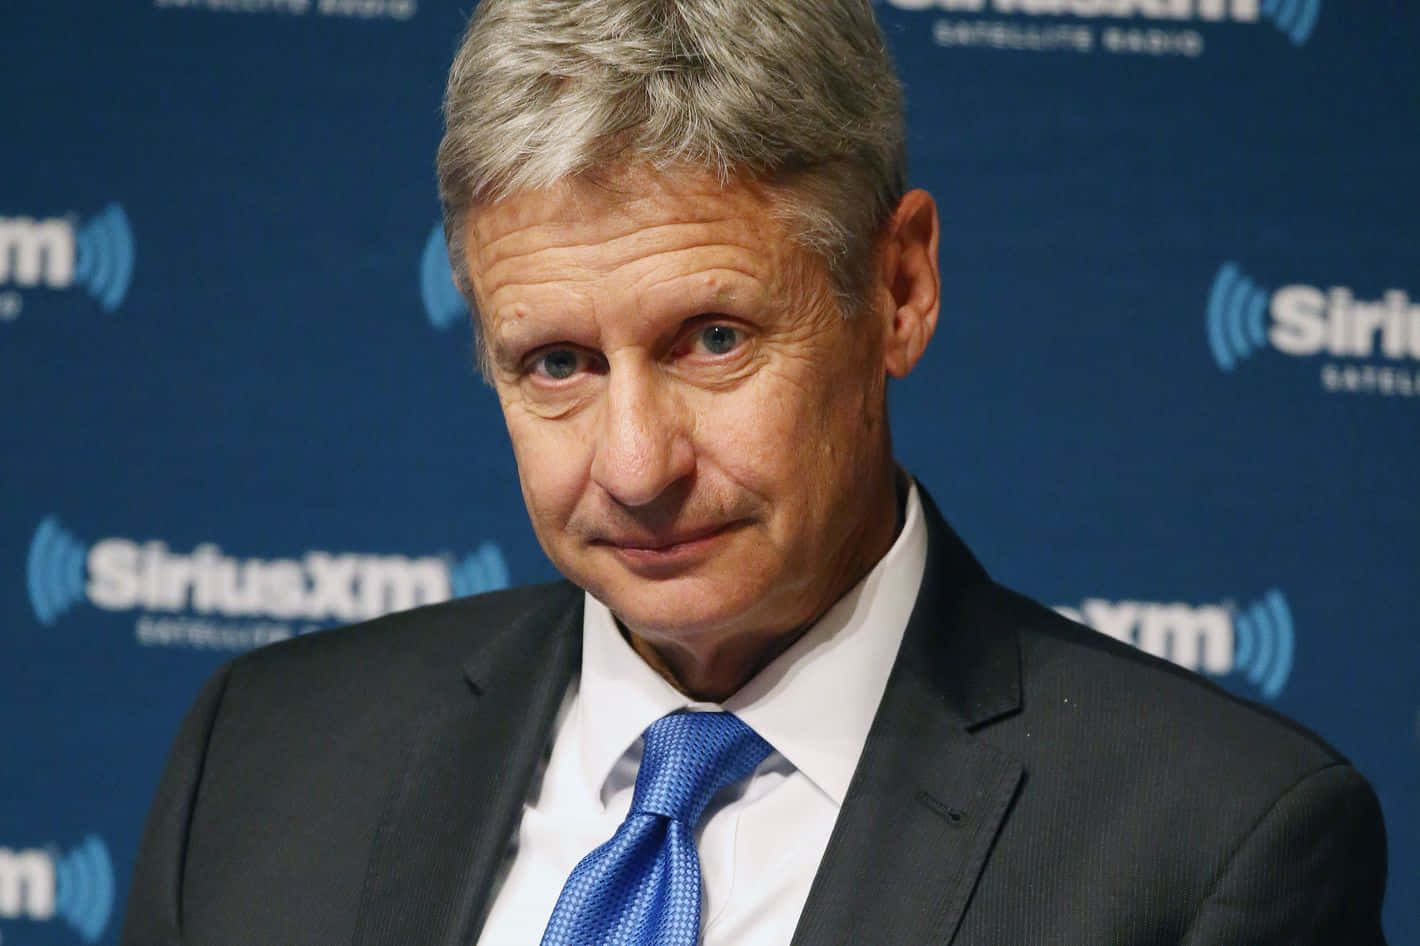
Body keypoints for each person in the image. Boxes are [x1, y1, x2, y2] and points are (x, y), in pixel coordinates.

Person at [121, 0, 1389, 943]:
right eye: (556, 362)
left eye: (713, 339)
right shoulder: (261, 763)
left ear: (898, 289)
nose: (633, 465)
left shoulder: (1215, 845)